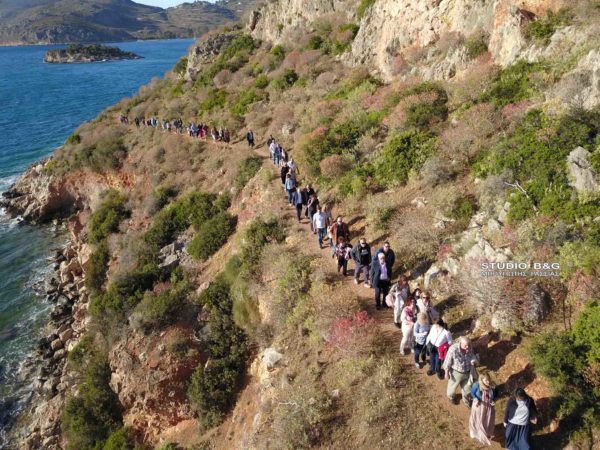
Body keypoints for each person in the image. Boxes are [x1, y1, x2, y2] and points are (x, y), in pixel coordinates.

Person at [444, 336, 479, 407]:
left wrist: (474, 360)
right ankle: (451, 397)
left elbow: (472, 355)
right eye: (465, 345)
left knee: (467, 390)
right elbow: (447, 362)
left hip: (468, 371)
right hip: (456, 373)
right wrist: (446, 373)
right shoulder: (453, 349)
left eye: (469, 345)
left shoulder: (470, 347)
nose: (467, 347)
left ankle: (467, 403)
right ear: (460, 343)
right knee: (451, 390)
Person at [469, 373, 497, 446]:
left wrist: (493, 400)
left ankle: (485, 432)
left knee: (487, 420)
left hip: (488, 406)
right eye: (486, 380)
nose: (488, 382)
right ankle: (475, 432)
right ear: (481, 380)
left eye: (489, 379)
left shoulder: (493, 385)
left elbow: (495, 395)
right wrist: (476, 399)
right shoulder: (476, 385)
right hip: (479, 406)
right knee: (478, 419)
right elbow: (472, 393)